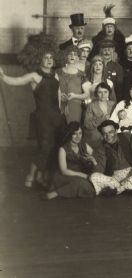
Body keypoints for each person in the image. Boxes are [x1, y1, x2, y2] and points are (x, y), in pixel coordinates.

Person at [0, 39, 65, 188]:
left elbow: (59, 94)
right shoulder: (34, 76)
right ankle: (30, 175)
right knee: (44, 147)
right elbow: (16, 81)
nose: (49, 60)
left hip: (56, 117)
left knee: (53, 147)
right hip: (42, 117)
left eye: (51, 58)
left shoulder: (55, 75)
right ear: (40, 60)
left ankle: (41, 177)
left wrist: (60, 112)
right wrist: (3, 77)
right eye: (46, 58)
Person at [89, 120, 132, 196]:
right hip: (115, 178)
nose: (108, 136)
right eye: (104, 134)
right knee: (93, 177)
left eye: (110, 132)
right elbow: (100, 170)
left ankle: (120, 190)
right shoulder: (101, 147)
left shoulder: (126, 136)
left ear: (116, 130)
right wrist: (94, 162)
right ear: (102, 135)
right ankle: (126, 189)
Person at [44, 122, 97, 200]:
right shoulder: (63, 149)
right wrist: (82, 174)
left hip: (79, 175)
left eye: (80, 133)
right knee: (83, 184)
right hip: (65, 175)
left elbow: (95, 155)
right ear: (69, 134)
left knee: (89, 184)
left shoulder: (83, 144)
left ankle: (62, 192)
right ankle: (56, 193)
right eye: (75, 134)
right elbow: (64, 170)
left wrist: (93, 159)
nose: (78, 137)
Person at [83, 82, 115, 150]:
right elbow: (87, 124)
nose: (103, 95)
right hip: (97, 136)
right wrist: (102, 119)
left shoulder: (113, 104)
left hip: (112, 136)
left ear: (109, 93)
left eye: (105, 92)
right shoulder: (91, 106)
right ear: (96, 94)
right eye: (100, 92)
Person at [57, 45, 85, 123]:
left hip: (75, 106)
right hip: (58, 104)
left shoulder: (82, 74)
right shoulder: (57, 72)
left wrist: (74, 96)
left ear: (78, 58)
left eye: (75, 54)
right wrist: (58, 95)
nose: (72, 56)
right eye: (70, 54)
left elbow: (87, 94)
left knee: (73, 129)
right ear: (66, 56)